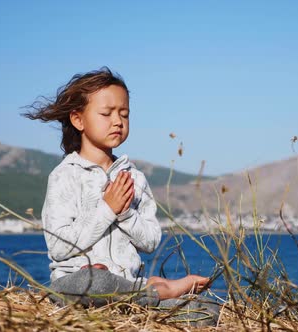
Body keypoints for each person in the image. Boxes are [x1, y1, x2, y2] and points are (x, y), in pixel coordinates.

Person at [23, 67, 219, 325]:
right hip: (77, 287)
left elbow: (149, 242)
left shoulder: (135, 178)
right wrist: (107, 210)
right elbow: (59, 248)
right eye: (106, 114)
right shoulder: (64, 176)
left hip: (127, 288)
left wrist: (125, 213)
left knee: (207, 310)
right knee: (95, 280)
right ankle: (160, 290)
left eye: (124, 114)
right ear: (78, 120)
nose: (117, 121)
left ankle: (145, 294)